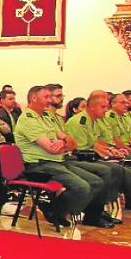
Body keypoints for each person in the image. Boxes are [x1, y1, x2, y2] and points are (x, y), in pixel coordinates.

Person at [13, 86, 108, 227]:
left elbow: (72, 143)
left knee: (96, 182)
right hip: (38, 165)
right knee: (82, 187)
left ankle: (58, 209)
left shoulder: (45, 117)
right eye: (46, 97)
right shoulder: (27, 119)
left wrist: (62, 143)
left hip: (57, 162)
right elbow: (51, 149)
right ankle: (56, 210)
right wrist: (63, 144)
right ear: (34, 98)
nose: (49, 100)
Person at [65, 90, 131, 218]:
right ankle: (103, 210)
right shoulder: (79, 121)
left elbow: (95, 143)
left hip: (90, 156)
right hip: (79, 159)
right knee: (117, 169)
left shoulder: (95, 120)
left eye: (106, 106)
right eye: (103, 107)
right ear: (91, 107)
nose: (106, 110)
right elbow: (80, 150)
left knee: (128, 170)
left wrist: (110, 151)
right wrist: (107, 154)